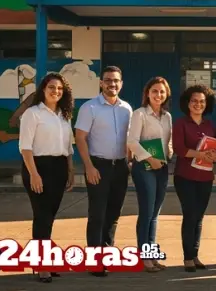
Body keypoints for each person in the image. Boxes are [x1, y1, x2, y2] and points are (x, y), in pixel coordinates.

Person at [75, 66, 133, 277]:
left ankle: (107, 256)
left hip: (120, 167)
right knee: (97, 214)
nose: (112, 84)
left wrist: (130, 161)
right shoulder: (89, 108)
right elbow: (80, 137)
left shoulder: (126, 108)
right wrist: (88, 166)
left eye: (116, 80)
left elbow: (129, 139)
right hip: (98, 166)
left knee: (113, 214)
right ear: (101, 83)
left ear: (121, 83)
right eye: (108, 80)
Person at [18, 73, 75, 283]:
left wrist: (70, 171)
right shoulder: (32, 114)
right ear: (43, 89)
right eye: (52, 87)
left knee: (49, 217)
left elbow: (68, 147)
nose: (55, 91)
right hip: (38, 167)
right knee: (41, 216)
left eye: (60, 88)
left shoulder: (64, 115)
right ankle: (41, 265)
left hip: (59, 168)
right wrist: (34, 174)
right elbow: (25, 148)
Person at [127, 77, 173, 273]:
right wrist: (149, 158)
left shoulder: (167, 117)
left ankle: (152, 255)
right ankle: (143, 257)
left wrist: (169, 151)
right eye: (155, 91)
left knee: (155, 214)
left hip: (161, 167)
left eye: (162, 92)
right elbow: (132, 141)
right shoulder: (139, 114)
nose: (158, 95)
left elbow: (167, 141)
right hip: (144, 167)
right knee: (146, 212)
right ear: (147, 93)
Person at [173, 84, 216, 272]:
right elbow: (179, 149)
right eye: (194, 101)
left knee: (199, 218)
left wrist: (215, 156)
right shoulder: (181, 123)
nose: (198, 104)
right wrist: (200, 155)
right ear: (187, 103)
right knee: (190, 215)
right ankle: (187, 258)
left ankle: (195, 254)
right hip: (185, 177)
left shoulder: (209, 125)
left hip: (206, 177)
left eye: (201, 101)